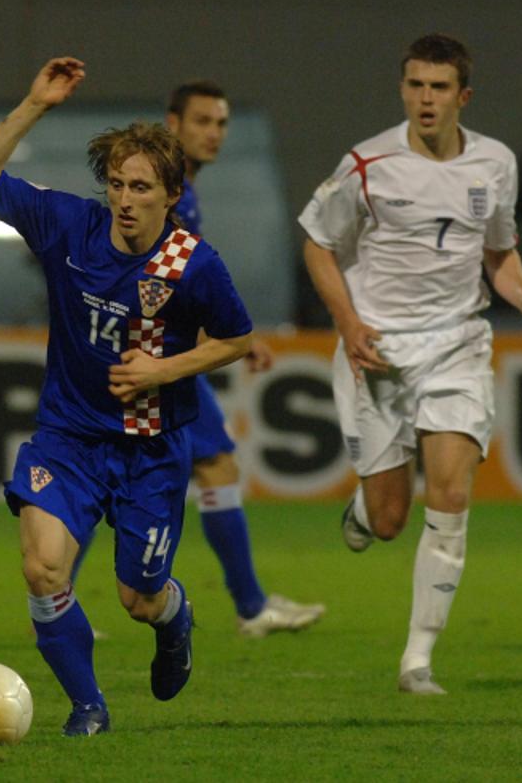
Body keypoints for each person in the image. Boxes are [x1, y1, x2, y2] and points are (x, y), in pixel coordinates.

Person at [0, 58, 254, 736]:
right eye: (117, 183)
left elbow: (236, 340)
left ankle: (174, 617)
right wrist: (35, 103)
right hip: (67, 437)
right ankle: (88, 704)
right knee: (42, 566)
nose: (124, 198)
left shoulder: (192, 263)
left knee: (138, 596)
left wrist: (165, 369)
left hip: (150, 450)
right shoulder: (69, 225)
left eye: (141, 186)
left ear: (170, 194)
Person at [300, 33, 522, 694]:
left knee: (449, 493)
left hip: (457, 344)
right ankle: (365, 509)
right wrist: (350, 322)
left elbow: (498, 254)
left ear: (462, 96)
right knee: (390, 519)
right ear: (403, 89)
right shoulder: (368, 164)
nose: (425, 98)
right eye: (416, 84)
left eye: (439, 87)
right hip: (379, 350)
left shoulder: (496, 164)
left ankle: (417, 660)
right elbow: (316, 243)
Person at [164, 81, 326, 636]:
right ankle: (251, 608)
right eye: (202, 121)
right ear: (173, 124)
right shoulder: (170, 193)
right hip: (165, 362)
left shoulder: (182, 190)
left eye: (221, 123)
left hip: (170, 357)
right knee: (214, 468)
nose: (213, 133)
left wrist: (235, 334)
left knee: (209, 467)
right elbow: (172, 284)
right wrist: (224, 331)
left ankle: (55, 592)